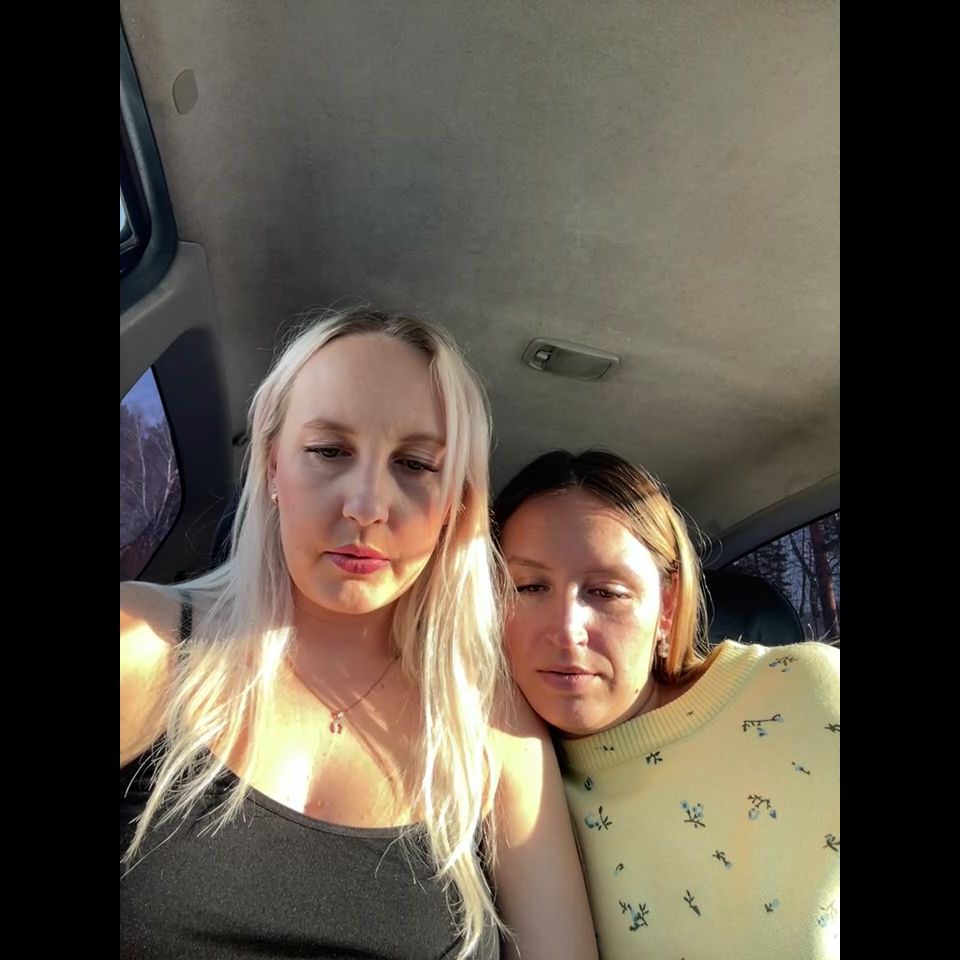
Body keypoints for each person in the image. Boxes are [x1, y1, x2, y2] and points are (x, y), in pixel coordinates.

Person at [120, 309, 597, 960]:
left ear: (455, 504)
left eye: (416, 464)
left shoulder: (493, 733)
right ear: (271, 466)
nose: (367, 506)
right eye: (329, 451)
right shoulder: (144, 643)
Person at [493, 448, 839, 960]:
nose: (566, 630)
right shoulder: (493, 776)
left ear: (668, 606)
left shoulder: (807, 693)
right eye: (528, 587)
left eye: (606, 592)